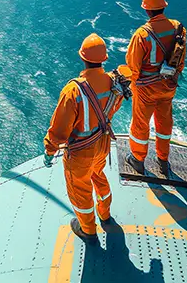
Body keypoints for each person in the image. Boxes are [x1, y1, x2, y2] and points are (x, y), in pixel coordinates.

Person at [43, 33, 130, 242]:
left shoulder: (73, 90)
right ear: (104, 59)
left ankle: (88, 229)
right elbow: (115, 105)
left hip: (81, 151)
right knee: (98, 175)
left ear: (82, 58)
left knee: (80, 190)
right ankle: (105, 214)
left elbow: (58, 131)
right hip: (102, 143)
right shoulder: (114, 83)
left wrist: (49, 152)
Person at [126, 0, 186, 176]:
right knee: (164, 122)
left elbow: (133, 68)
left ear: (147, 10)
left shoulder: (142, 34)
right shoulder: (178, 28)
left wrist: (132, 84)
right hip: (168, 86)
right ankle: (163, 159)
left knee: (140, 124)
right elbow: (180, 59)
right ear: (163, 7)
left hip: (146, 90)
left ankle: (137, 159)